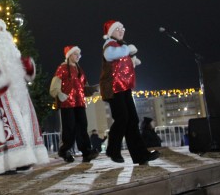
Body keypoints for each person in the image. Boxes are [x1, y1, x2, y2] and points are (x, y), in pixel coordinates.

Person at [0, 17, 49, 176]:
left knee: (22, 127)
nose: (0, 33)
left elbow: (20, 66)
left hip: (17, 94)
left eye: (2, 29)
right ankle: (2, 166)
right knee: (3, 131)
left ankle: (22, 161)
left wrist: (27, 66)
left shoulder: (11, 48)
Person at [99, 20, 160, 165]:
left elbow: (122, 65)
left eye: (123, 28)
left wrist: (133, 61)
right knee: (122, 119)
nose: (121, 31)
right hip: (114, 88)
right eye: (118, 29)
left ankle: (141, 156)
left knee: (132, 120)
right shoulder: (109, 45)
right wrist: (128, 49)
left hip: (124, 88)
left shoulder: (120, 46)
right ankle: (112, 149)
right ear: (110, 33)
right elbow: (109, 55)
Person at [50, 46, 99, 163]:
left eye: (79, 54)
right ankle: (64, 150)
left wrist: (93, 89)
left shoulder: (80, 70)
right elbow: (54, 86)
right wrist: (58, 93)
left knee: (82, 126)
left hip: (80, 103)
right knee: (69, 128)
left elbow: (84, 88)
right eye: (75, 54)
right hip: (67, 104)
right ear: (69, 55)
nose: (78, 56)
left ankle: (86, 152)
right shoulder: (62, 68)